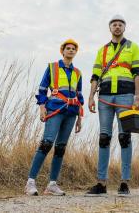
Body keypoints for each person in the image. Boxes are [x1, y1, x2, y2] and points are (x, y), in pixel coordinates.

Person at [85, 14, 139, 197]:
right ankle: (101, 184)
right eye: (114, 25)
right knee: (104, 138)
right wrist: (91, 97)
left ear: (124, 28)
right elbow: (95, 76)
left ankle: (125, 183)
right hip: (105, 97)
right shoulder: (102, 51)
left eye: (120, 24)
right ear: (110, 28)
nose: (117, 27)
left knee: (124, 137)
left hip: (126, 96)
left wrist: (138, 97)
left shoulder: (133, 47)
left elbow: (138, 73)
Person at [25, 39, 84, 196]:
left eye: (73, 49)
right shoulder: (52, 67)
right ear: (62, 51)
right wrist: (42, 108)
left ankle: (52, 185)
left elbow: (79, 96)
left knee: (60, 148)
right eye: (68, 48)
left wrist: (79, 118)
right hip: (55, 109)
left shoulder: (78, 73)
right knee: (46, 143)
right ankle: (30, 182)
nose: (71, 51)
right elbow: (42, 89)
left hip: (71, 113)